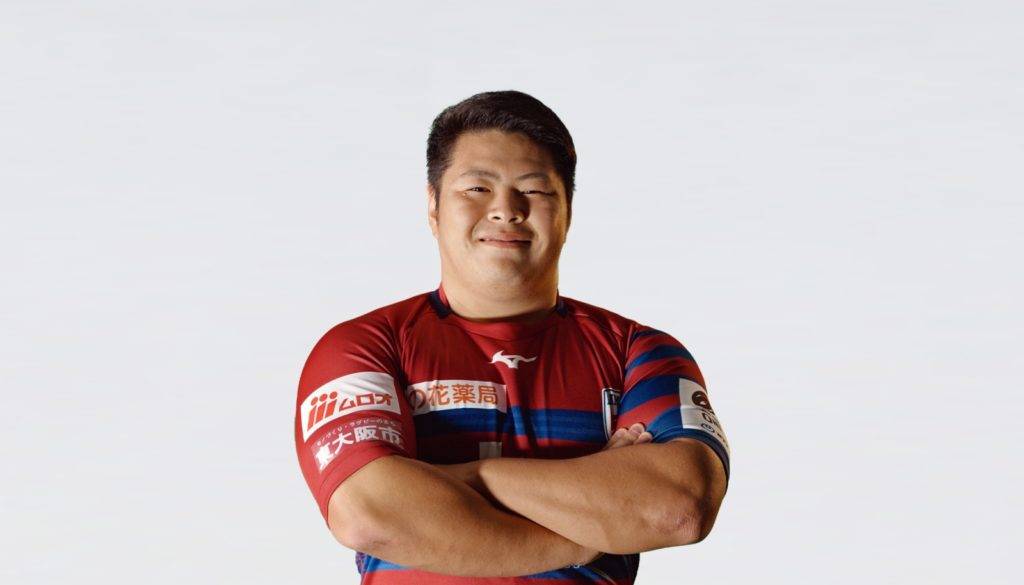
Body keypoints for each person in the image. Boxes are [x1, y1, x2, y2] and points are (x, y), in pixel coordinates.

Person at [294, 90, 730, 584]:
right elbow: (369, 514)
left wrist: (471, 477)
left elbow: (678, 509)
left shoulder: (641, 353)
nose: (506, 210)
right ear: (433, 206)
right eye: (477, 188)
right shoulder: (364, 348)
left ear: (567, 211)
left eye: (535, 190)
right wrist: (588, 537)